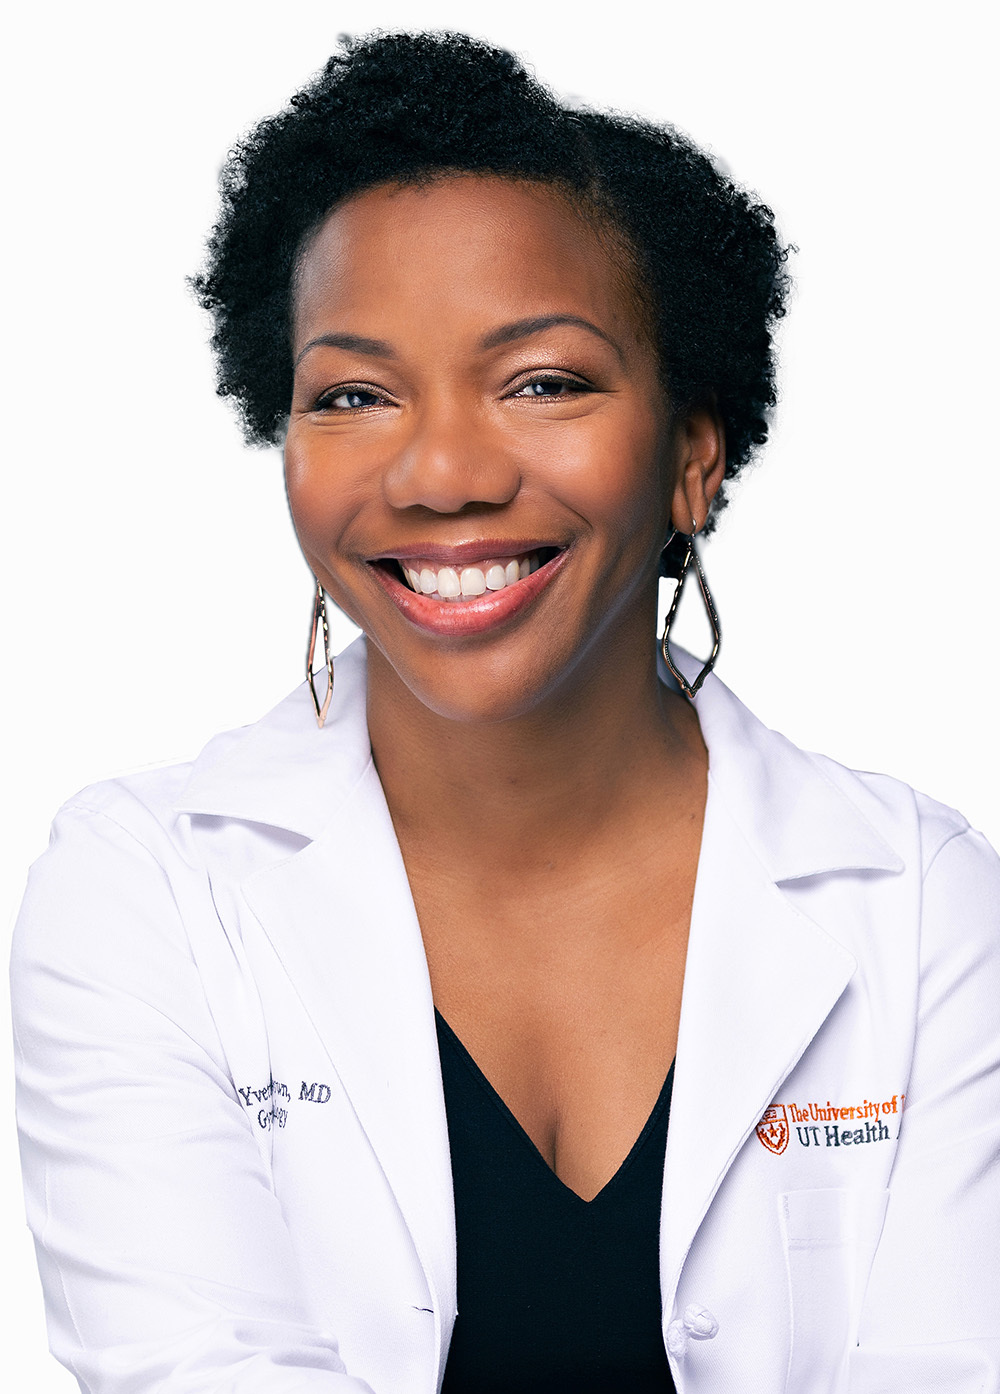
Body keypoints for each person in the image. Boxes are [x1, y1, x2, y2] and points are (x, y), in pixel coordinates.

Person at [11, 29, 999, 1394]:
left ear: (692, 459)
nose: (440, 472)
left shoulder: (925, 904)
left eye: (542, 381)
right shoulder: (141, 893)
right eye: (353, 393)